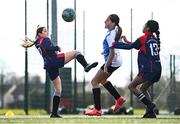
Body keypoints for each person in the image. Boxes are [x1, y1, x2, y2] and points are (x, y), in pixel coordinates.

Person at [21, 26, 98, 118]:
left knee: (58, 90)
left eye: (47, 30)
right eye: (45, 31)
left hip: (49, 65)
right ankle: (86, 66)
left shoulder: (37, 43)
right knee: (76, 52)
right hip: (54, 60)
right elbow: (49, 47)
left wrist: (53, 48)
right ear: (39, 34)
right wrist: (56, 47)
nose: (47, 32)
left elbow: (45, 48)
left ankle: (54, 113)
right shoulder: (45, 39)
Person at [113, 20, 161, 118]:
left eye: (144, 25)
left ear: (147, 28)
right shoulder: (154, 39)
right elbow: (136, 45)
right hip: (158, 69)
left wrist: (114, 44)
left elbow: (131, 47)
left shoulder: (143, 38)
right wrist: (126, 41)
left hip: (148, 69)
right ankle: (150, 113)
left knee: (132, 86)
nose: (142, 26)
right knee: (143, 89)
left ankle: (149, 104)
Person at [85, 14, 126, 116]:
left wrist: (107, 65)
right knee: (102, 80)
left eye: (107, 20)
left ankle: (97, 110)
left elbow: (112, 52)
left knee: (94, 82)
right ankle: (119, 99)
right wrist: (105, 51)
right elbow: (113, 47)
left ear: (113, 23)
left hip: (112, 61)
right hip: (116, 61)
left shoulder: (111, 34)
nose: (104, 21)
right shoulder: (113, 32)